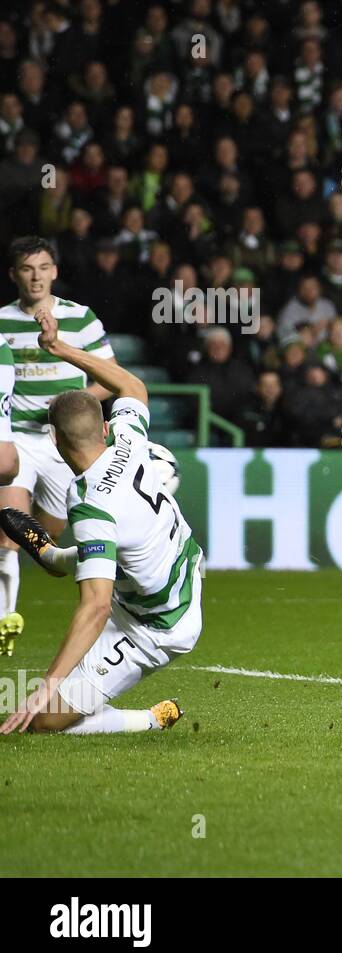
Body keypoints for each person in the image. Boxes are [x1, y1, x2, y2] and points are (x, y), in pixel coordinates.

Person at [0, 305, 201, 735]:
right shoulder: (129, 439)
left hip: (157, 625)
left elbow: (95, 607)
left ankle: (151, 719)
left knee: (43, 719)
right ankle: (52, 556)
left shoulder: (90, 503)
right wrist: (60, 348)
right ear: (105, 429)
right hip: (178, 569)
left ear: (54, 440)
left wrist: (44, 688)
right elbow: (131, 384)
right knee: (97, 553)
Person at [0, 236, 117, 657]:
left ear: (55, 271)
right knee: (8, 530)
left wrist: (72, 406)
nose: (36, 276)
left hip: (61, 444)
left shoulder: (79, 318)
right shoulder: (1, 322)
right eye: (27, 269)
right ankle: (4, 621)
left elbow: (109, 377)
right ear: (14, 274)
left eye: (43, 267)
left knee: (45, 540)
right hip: (15, 439)